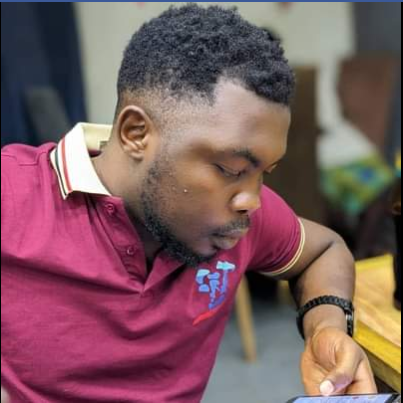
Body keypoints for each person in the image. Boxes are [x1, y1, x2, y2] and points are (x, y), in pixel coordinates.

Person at [1, 4, 377, 403]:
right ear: (135, 134)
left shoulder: (241, 213)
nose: (252, 200)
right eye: (231, 168)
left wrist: (325, 327)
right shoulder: (14, 196)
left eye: (264, 172)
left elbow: (324, 251)